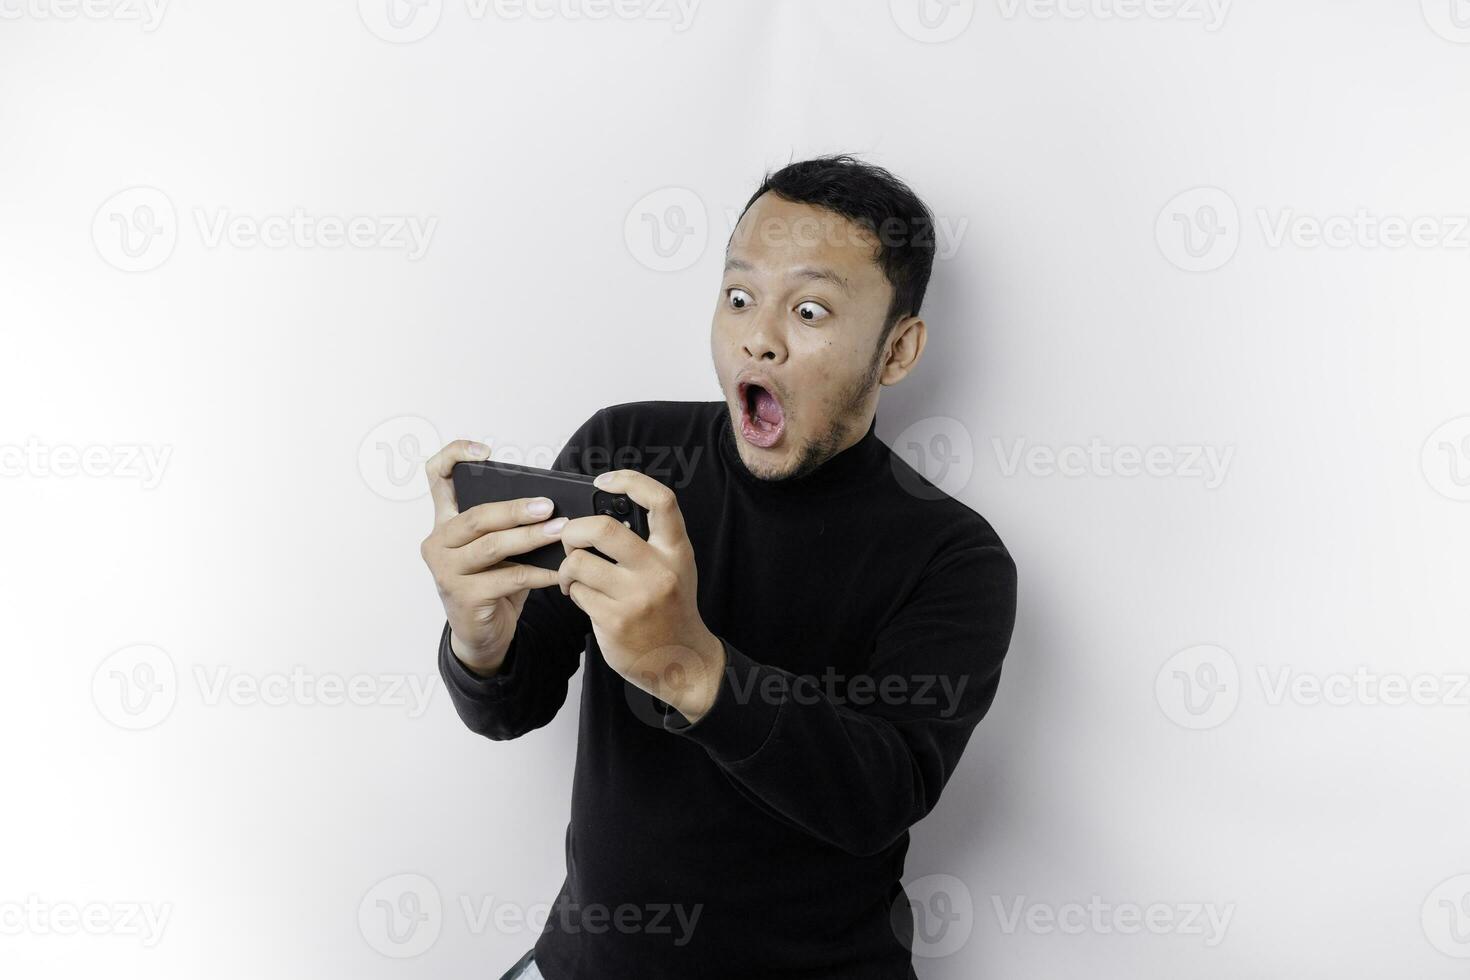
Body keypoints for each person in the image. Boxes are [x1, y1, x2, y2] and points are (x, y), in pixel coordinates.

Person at [420, 154, 1018, 979]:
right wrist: (479, 639)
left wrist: (691, 664)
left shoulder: (957, 558)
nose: (757, 338)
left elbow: (877, 801)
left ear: (897, 350)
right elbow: (509, 708)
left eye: (809, 310)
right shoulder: (626, 452)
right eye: (738, 297)